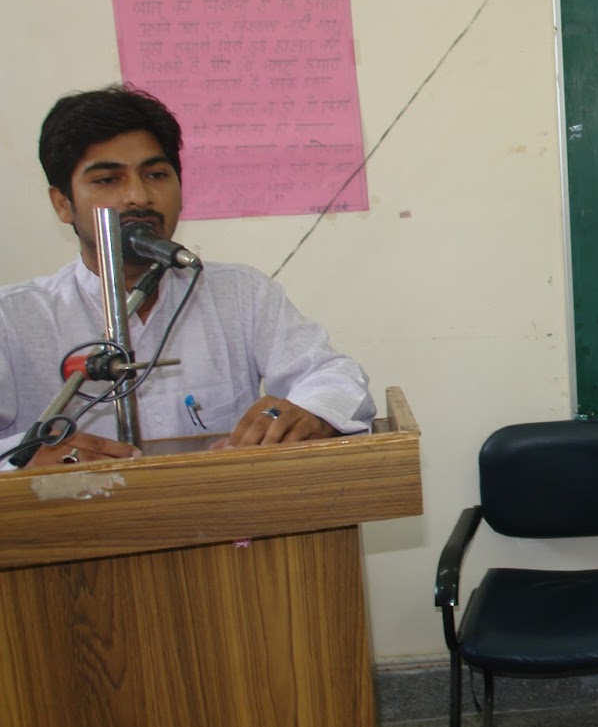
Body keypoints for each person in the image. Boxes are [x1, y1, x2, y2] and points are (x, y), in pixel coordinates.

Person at [0, 85, 374, 469]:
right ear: (63, 203)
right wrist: (21, 461)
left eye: (156, 174)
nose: (138, 196)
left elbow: (334, 376)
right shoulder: (13, 318)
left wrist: (309, 412)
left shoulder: (240, 293)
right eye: (108, 179)